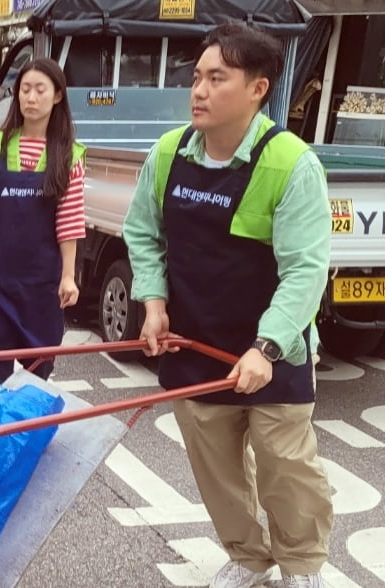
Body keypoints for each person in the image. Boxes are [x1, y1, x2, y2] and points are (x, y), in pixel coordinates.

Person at [123, 22, 333, 588]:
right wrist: (154, 301)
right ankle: (247, 556)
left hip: (273, 353)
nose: (200, 90)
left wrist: (266, 347)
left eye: (218, 78)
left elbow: (305, 271)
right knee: (215, 470)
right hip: (194, 342)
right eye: (197, 77)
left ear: (258, 89)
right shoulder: (169, 154)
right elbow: (141, 232)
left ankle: (302, 567)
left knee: (286, 470)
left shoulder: (290, 163)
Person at [0, 58, 85, 383]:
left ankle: (27, 432)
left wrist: (68, 276)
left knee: (38, 372)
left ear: (57, 96)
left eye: (40, 90)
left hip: (42, 285)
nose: (31, 98)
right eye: (25, 89)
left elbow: (69, 223)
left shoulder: (68, 157)